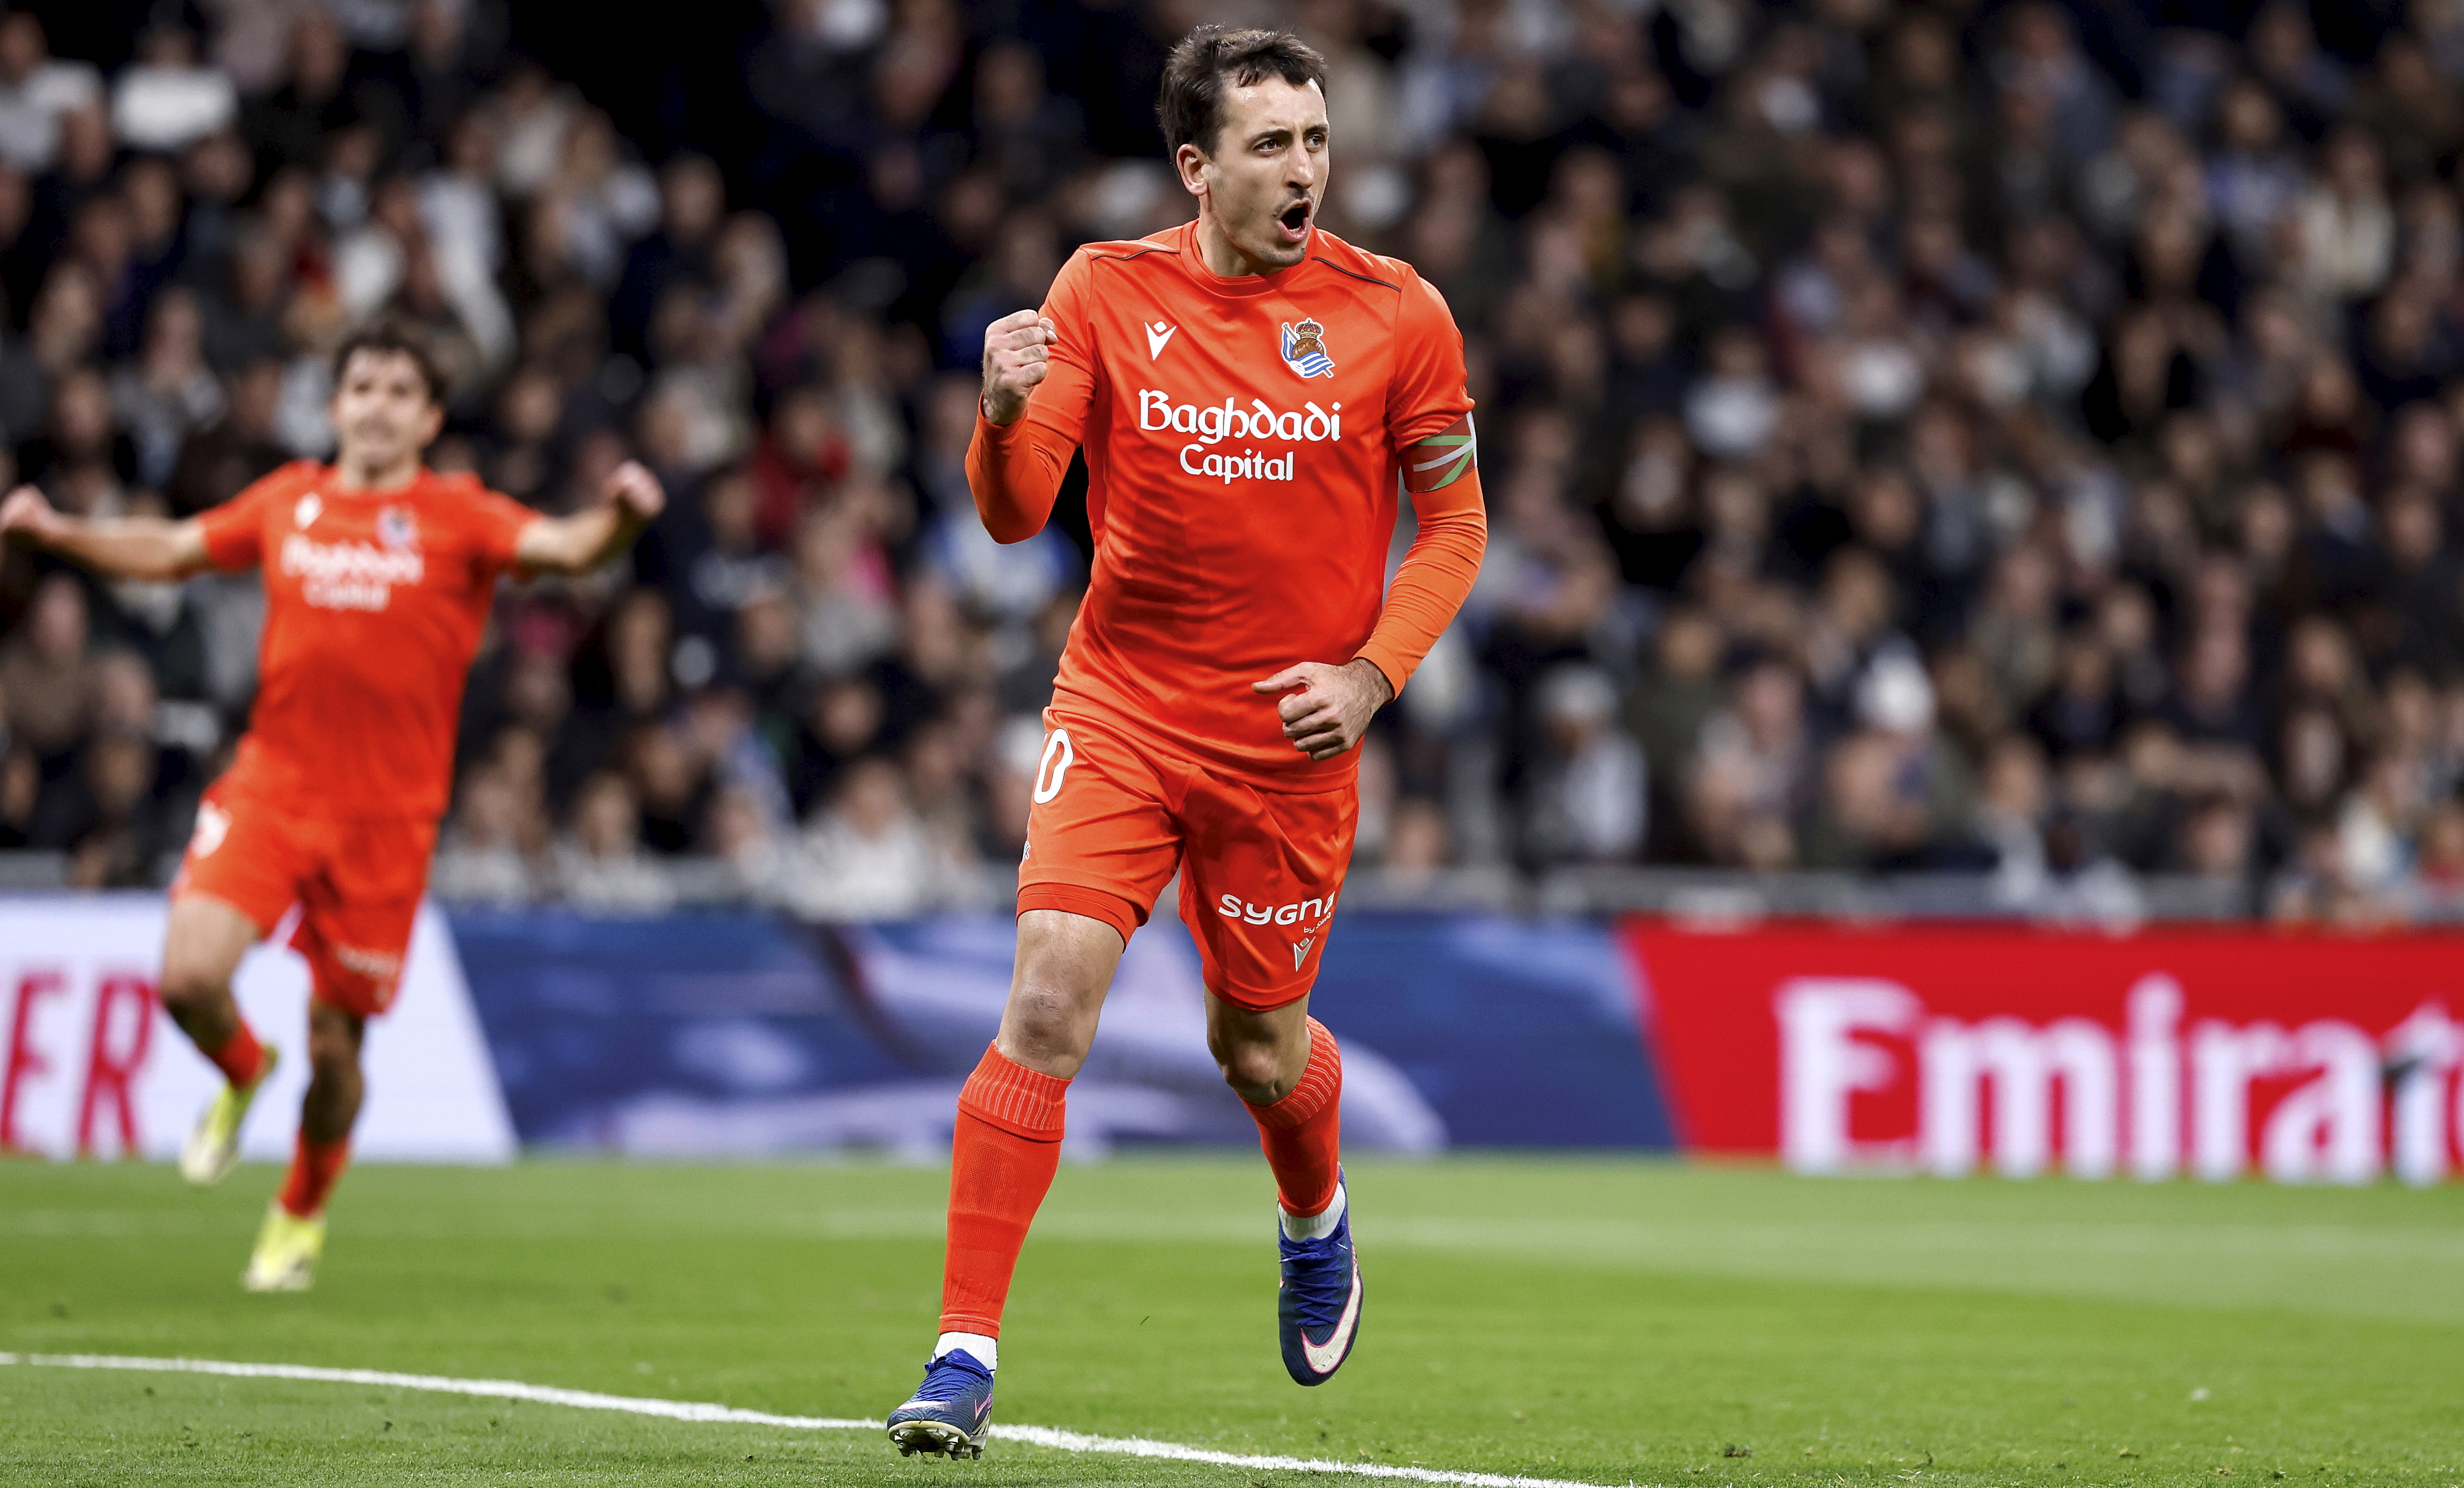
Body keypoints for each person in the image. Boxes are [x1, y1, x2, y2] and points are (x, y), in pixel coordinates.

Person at [883, 26, 1486, 1460]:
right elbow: (1018, 513)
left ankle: (1313, 1213)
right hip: (1125, 711)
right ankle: (961, 1358)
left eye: (1318, 141)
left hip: (1288, 746)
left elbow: (1454, 526)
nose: (1306, 171)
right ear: (1195, 166)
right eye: (1272, 145)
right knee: (1044, 1005)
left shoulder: (1400, 317)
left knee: (1258, 1051)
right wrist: (1001, 413)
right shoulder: (1105, 288)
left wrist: (1372, 675)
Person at [0, 323, 664, 1292]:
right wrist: (59, 534)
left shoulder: (458, 515)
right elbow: (172, 548)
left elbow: (563, 547)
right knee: (187, 978)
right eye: (363, 385)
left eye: (402, 389)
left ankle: (300, 1211)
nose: (380, 403)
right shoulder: (288, 501)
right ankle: (238, 1068)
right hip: (273, 788)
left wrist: (623, 522)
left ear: (431, 417)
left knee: (336, 1045)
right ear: (335, 404)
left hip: (385, 822)